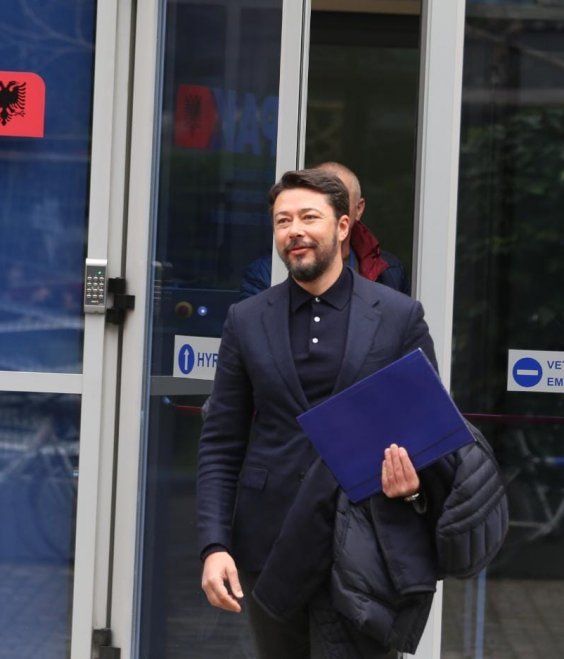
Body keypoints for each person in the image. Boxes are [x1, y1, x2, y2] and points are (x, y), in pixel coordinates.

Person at [197, 169, 504, 657]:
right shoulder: (246, 319)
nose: (294, 230)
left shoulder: (399, 315)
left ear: (343, 227)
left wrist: (414, 488)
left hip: (366, 543)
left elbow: (432, 433)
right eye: (282, 221)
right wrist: (214, 546)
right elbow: (221, 442)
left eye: (308, 217)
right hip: (270, 544)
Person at [239, 162, 409, 299]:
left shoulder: (388, 271)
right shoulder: (265, 274)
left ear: (358, 209)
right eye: (284, 220)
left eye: (340, 200)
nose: (296, 230)